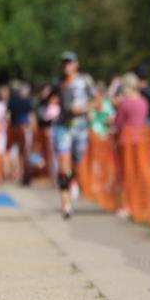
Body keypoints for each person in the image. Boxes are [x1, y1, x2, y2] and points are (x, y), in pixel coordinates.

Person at [53, 51, 95, 219]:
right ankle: (66, 204)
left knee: (77, 162)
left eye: (70, 62)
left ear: (76, 64)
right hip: (63, 126)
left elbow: (97, 100)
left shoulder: (85, 81)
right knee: (63, 164)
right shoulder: (59, 83)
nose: (67, 66)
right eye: (64, 63)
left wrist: (84, 108)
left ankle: (74, 181)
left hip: (81, 127)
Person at [113, 72, 150, 219]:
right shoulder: (143, 101)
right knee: (140, 171)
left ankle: (126, 206)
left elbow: (119, 122)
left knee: (126, 174)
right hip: (141, 139)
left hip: (126, 140)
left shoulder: (125, 102)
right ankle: (142, 203)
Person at [6, 82, 34, 185]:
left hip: (13, 128)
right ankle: (23, 174)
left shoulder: (11, 102)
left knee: (11, 151)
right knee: (24, 153)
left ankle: (13, 173)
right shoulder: (26, 102)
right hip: (24, 129)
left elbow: (8, 116)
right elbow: (31, 116)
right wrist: (32, 128)